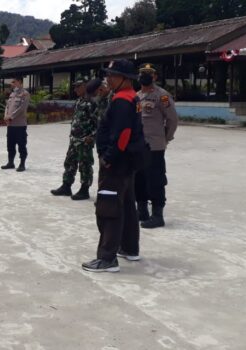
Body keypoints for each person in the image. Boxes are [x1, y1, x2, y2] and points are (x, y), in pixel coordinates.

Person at [82, 59, 146, 273]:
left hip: (116, 163)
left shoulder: (121, 101)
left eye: (113, 75)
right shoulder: (131, 98)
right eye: (108, 74)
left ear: (125, 79)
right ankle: (129, 247)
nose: (108, 79)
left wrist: (108, 157)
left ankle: (107, 257)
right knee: (127, 205)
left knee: (108, 207)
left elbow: (122, 135)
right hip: (127, 162)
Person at [135, 63, 179, 229]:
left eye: (149, 73)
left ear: (155, 77)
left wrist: (165, 138)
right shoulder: (137, 95)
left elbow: (172, 119)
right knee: (138, 179)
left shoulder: (162, 96)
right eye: (142, 73)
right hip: (139, 146)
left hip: (154, 146)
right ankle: (142, 210)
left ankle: (157, 215)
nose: (144, 76)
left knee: (155, 180)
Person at [51, 77, 98, 200]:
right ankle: (66, 186)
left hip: (84, 140)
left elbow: (99, 123)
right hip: (74, 139)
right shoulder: (79, 101)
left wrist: (92, 136)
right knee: (69, 162)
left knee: (85, 165)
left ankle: (84, 189)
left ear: (85, 86)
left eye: (78, 86)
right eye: (75, 86)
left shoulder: (92, 102)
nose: (75, 89)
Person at [1, 76, 30, 172]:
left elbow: (22, 108)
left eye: (14, 82)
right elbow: (7, 106)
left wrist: (11, 117)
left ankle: (22, 164)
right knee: (10, 144)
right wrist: (6, 116)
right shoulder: (12, 94)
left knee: (21, 144)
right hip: (10, 125)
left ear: (20, 82)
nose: (12, 84)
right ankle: (10, 162)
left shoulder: (25, 94)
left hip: (20, 125)